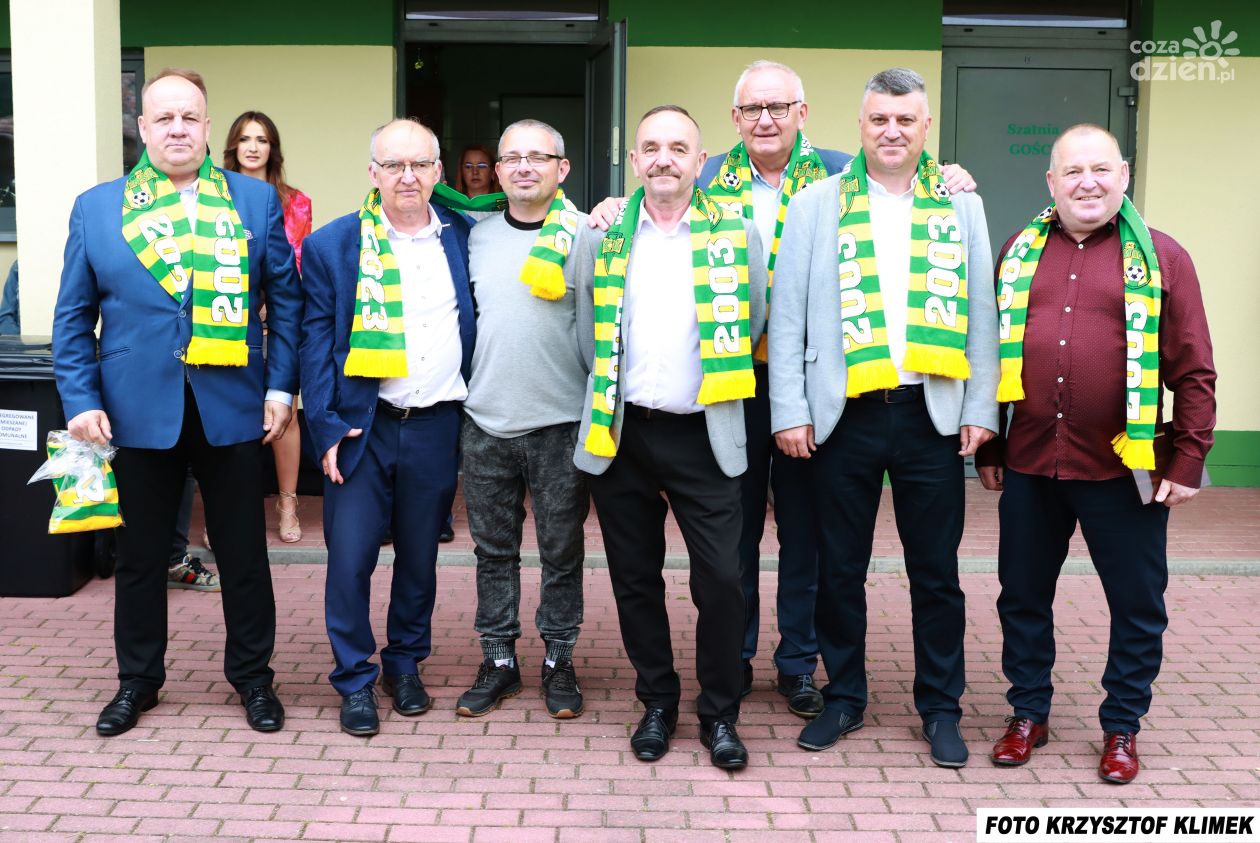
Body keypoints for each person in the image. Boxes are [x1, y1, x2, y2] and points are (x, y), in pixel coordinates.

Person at [695, 60, 976, 717]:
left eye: (779, 106)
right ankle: (734, 655)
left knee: (808, 534)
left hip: (812, 385)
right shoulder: (704, 179)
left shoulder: (839, 174)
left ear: (804, 112)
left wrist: (953, 174)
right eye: (752, 109)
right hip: (731, 380)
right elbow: (649, 208)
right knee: (733, 530)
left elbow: (905, 177)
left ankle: (798, 661)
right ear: (735, 118)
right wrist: (610, 207)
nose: (766, 119)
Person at [53, 67, 300, 736]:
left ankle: (254, 678)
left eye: (190, 117)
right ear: (142, 128)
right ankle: (138, 681)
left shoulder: (254, 201)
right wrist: (79, 399)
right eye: (164, 118)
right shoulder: (98, 208)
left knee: (244, 554)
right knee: (138, 558)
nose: (178, 129)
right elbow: (72, 318)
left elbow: (287, 302)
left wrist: (281, 387)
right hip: (132, 410)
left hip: (233, 403)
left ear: (208, 125)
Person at [769, 68, 998, 768]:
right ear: (860, 126)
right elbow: (788, 315)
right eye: (879, 119)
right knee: (839, 568)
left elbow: (982, 313)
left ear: (925, 127)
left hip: (932, 414)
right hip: (844, 416)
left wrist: (981, 406)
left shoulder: (960, 205)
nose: (891, 131)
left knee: (936, 573)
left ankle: (941, 707)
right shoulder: (816, 203)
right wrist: (790, 408)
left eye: (905, 120)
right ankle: (844, 696)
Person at [977, 124, 1216, 784]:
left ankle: (1122, 725)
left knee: (1137, 603)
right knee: (1022, 596)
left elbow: (1194, 369)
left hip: (1124, 468)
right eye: (1073, 171)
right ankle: (1028, 712)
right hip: (1031, 461)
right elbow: (990, 356)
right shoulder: (1017, 252)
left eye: (1101, 169)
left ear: (1124, 176)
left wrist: (1188, 460)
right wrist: (991, 443)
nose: (1088, 182)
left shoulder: (1163, 257)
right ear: (1051, 182)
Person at [574, 105, 768, 770]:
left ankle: (720, 712)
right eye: (651, 147)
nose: (664, 158)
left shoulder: (737, 234)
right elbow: (584, 333)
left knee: (722, 580)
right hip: (623, 431)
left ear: (699, 160)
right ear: (634, 161)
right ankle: (657, 700)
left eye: (678, 147)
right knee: (635, 577)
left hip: (703, 433)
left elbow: (752, 317)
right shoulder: (603, 235)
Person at [300, 118, 473, 737]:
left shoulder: (464, 237)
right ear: (373, 173)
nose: (407, 176)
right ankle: (354, 678)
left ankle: (404, 665)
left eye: (420, 164)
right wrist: (323, 425)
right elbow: (315, 341)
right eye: (394, 165)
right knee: (350, 560)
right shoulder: (333, 245)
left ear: (437, 172)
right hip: (360, 429)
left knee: (420, 560)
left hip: (436, 426)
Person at [455, 120, 599, 720]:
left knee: (562, 550)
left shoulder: (589, 235)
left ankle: (559, 660)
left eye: (537, 157)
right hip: (485, 421)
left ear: (561, 169)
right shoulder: (474, 237)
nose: (523, 167)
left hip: (561, 424)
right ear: (497, 171)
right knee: (493, 551)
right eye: (511, 158)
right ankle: (499, 661)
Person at [224, 110, 313, 542]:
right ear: (233, 147)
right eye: (245, 139)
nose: (253, 147)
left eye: (262, 139)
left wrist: (271, 308)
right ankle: (228, 514)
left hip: (278, 323)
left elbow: (297, 265)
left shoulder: (296, 202)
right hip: (227, 321)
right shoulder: (215, 197)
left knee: (284, 413)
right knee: (232, 413)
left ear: (272, 148)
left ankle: (287, 504)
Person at [454, 144, 500, 223]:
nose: (475, 172)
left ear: (493, 173)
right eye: (468, 166)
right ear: (461, 173)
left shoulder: (505, 209)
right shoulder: (451, 208)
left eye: (482, 166)